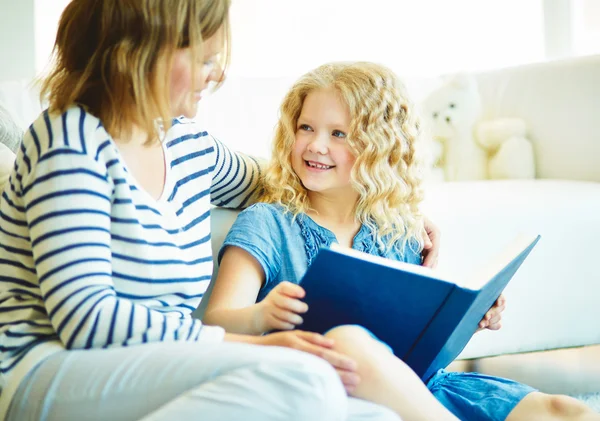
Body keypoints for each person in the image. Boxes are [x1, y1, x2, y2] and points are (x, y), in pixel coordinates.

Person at [0, 2, 445, 420]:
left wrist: (391, 208)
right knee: (307, 378)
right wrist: (251, 345)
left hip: (168, 358)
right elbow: (86, 319)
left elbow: (283, 179)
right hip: (46, 365)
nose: (218, 74)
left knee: (372, 410)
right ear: (142, 53)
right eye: (205, 58)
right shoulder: (69, 142)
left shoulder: (189, 146)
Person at [203, 61, 600, 421]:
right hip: (325, 391)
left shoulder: (398, 230)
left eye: (338, 133)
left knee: (566, 410)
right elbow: (215, 321)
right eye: (306, 128)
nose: (316, 145)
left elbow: (415, 356)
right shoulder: (268, 223)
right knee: (350, 342)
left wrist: (465, 325)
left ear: (381, 148)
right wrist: (260, 316)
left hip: (416, 390)